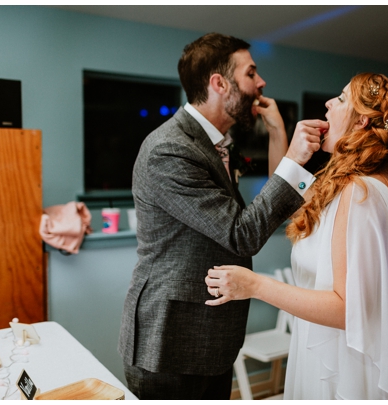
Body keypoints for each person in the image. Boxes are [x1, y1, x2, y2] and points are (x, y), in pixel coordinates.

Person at [203, 73, 388, 400]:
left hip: (350, 363)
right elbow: (290, 200)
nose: (328, 103)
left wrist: (255, 285)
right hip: (329, 348)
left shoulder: (361, 194)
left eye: (340, 99)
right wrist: (278, 132)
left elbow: (345, 309)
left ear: (362, 121)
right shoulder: (350, 184)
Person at [119, 33, 319, 400]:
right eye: (251, 74)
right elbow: (241, 234)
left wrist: (278, 132)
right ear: (219, 83)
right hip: (172, 343)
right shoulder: (170, 150)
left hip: (211, 339)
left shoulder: (219, 143)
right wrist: (297, 159)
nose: (261, 84)